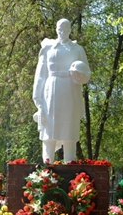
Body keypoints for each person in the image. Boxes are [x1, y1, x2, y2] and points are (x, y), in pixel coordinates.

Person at [32, 18, 91, 163]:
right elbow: (40, 74)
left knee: (69, 130)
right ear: (56, 29)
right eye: (60, 29)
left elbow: (87, 73)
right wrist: (37, 97)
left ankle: (70, 166)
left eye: (65, 29)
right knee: (48, 131)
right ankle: (46, 171)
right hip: (50, 91)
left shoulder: (77, 49)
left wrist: (79, 75)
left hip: (70, 90)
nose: (62, 32)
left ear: (70, 30)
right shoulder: (48, 48)